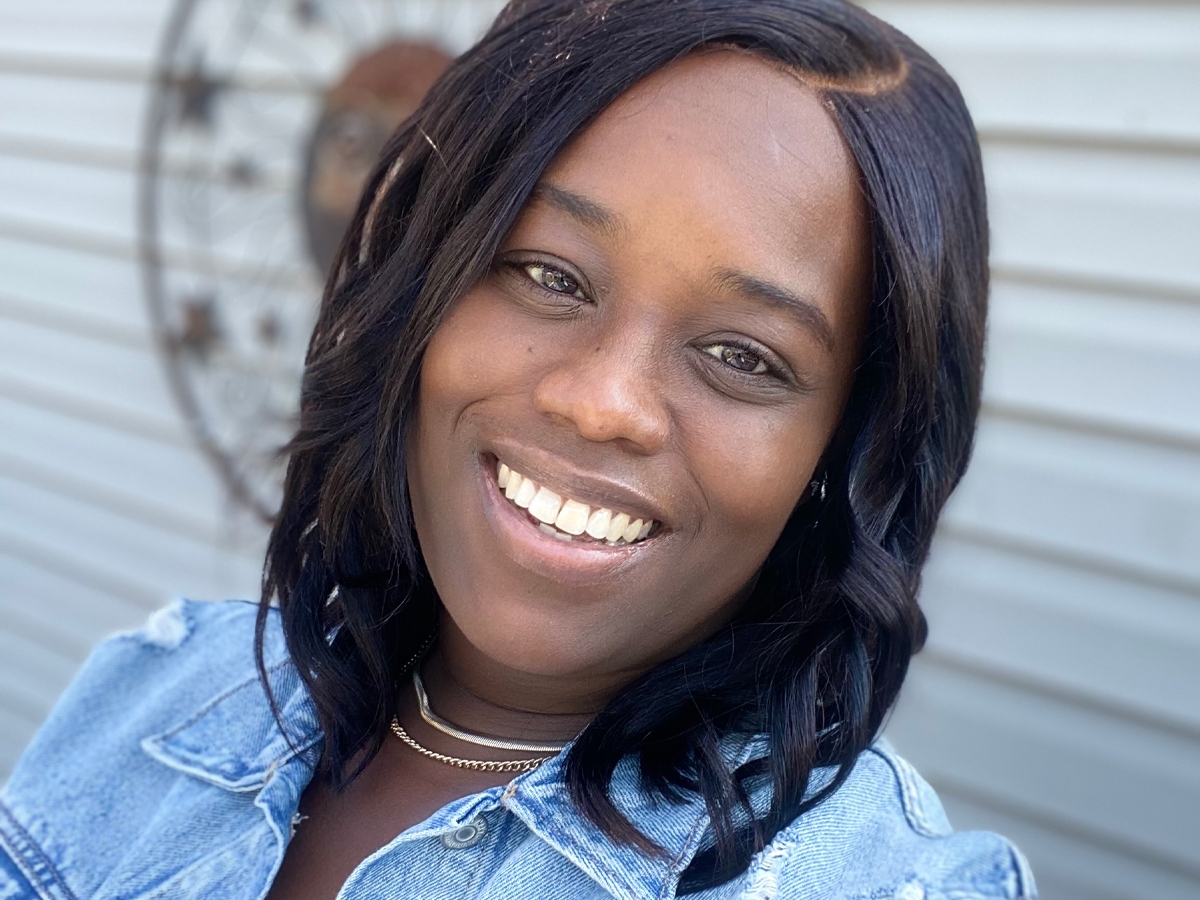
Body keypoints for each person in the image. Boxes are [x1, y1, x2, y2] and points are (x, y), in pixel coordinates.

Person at [0, 1, 1037, 898]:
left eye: (742, 355)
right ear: (426, 285)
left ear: (846, 451)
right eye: (549, 275)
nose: (601, 403)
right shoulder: (156, 691)